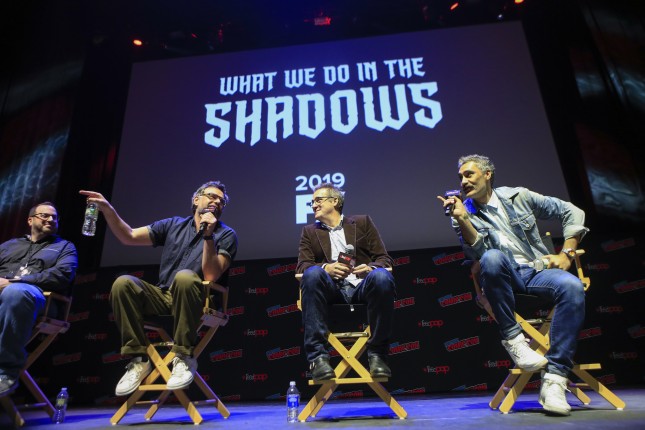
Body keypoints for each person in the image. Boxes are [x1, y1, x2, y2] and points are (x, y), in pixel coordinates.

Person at [437, 154, 588, 416]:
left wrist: (567, 253)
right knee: (492, 257)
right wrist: (462, 219)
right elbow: (479, 254)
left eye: (469, 174)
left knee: (572, 286)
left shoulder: (519, 196)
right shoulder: (461, 212)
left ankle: (555, 379)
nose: (463, 181)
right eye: (460, 177)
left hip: (537, 272)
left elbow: (572, 211)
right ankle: (514, 340)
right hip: (502, 279)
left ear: (487, 175)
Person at [79, 181, 237, 396]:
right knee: (123, 283)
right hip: (164, 295)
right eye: (211, 196)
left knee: (185, 278)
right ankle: (139, 359)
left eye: (221, 201)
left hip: (199, 299)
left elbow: (211, 275)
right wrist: (108, 209)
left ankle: (183, 357)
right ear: (196, 199)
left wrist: (208, 236)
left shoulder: (226, 235)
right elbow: (128, 236)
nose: (216, 202)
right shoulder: (173, 225)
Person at [297, 183, 396, 380]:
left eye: (318, 200)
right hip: (331, 289)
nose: (313, 205)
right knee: (313, 273)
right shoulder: (309, 231)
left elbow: (384, 259)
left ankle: (378, 355)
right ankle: (318, 359)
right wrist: (327, 268)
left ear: (335, 201)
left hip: (361, 286)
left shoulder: (362, 222)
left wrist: (369, 269)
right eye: (312, 202)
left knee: (381, 276)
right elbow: (302, 267)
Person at [0, 202, 78, 397]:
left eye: (54, 217)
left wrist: (16, 281)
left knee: (15, 293)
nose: (51, 219)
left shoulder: (64, 247)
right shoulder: (9, 246)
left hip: (40, 299)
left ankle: (6, 370)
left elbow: (62, 275)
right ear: (30, 220)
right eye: (45, 216)